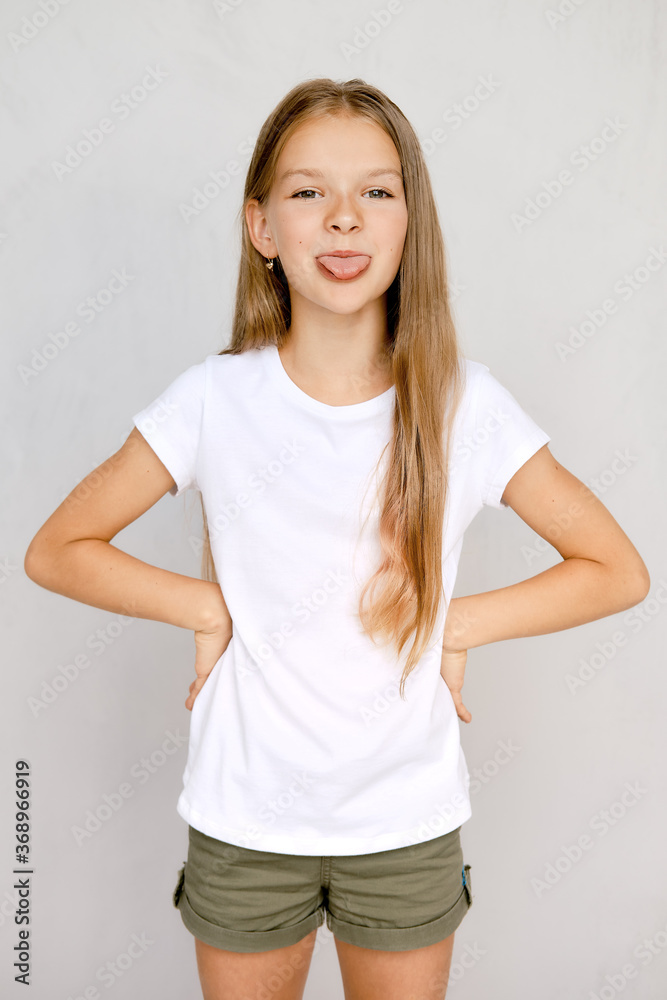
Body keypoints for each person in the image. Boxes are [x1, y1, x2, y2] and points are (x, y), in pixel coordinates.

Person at [24, 77, 650, 1000]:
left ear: (409, 222)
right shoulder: (212, 399)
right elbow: (56, 549)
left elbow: (616, 570)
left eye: (376, 191)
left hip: (404, 826)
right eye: (308, 191)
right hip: (245, 823)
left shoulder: (463, 404)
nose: (344, 217)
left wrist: (454, 624)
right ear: (262, 228)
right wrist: (205, 607)